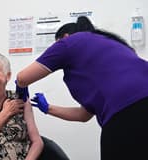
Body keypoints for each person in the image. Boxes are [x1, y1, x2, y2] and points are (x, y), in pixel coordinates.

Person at [16, 16, 148, 160]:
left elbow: (23, 78)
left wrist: (20, 87)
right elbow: (83, 115)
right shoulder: (113, 44)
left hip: (127, 114)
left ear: (64, 37)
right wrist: (48, 108)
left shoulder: (69, 42)